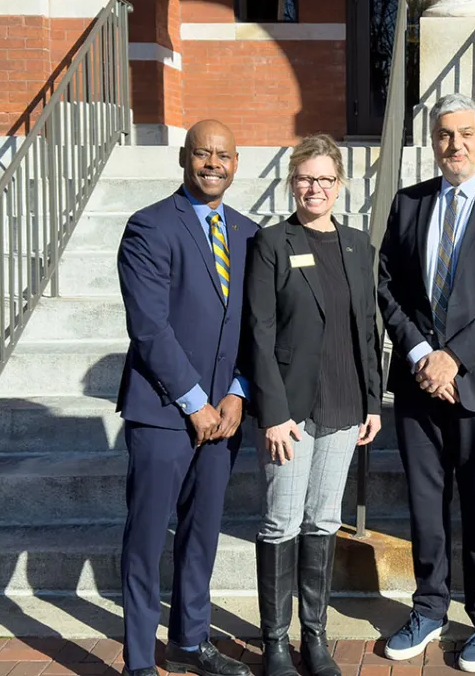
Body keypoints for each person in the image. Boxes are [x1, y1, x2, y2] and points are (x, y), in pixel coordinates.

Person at [376, 93, 475, 672]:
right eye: (445, 134)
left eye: (466, 134)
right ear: (433, 140)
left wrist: (455, 359)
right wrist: (424, 354)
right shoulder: (409, 203)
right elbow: (388, 284)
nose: (455, 145)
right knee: (425, 505)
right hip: (421, 382)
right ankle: (428, 607)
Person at [116, 119, 258, 676]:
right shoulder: (148, 227)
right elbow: (149, 327)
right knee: (147, 537)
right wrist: (194, 402)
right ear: (184, 157)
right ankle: (139, 660)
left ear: (236, 162)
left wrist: (238, 395)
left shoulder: (249, 234)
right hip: (162, 413)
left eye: (223, 155)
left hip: (223, 416)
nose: (213, 164)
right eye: (203, 154)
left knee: (201, 535)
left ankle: (191, 642)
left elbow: (256, 327)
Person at [241, 133, 383, 676]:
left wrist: (373, 399)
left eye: (325, 178)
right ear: (291, 182)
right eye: (305, 178)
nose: (315, 188)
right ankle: (275, 641)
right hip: (290, 412)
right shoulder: (272, 242)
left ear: (340, 184)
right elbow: (259, 330)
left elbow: (365, 330)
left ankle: (314, 637)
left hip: (345, 405)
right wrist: (272, 411)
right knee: (281, 522)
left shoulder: (356, 244)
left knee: (323, 520)